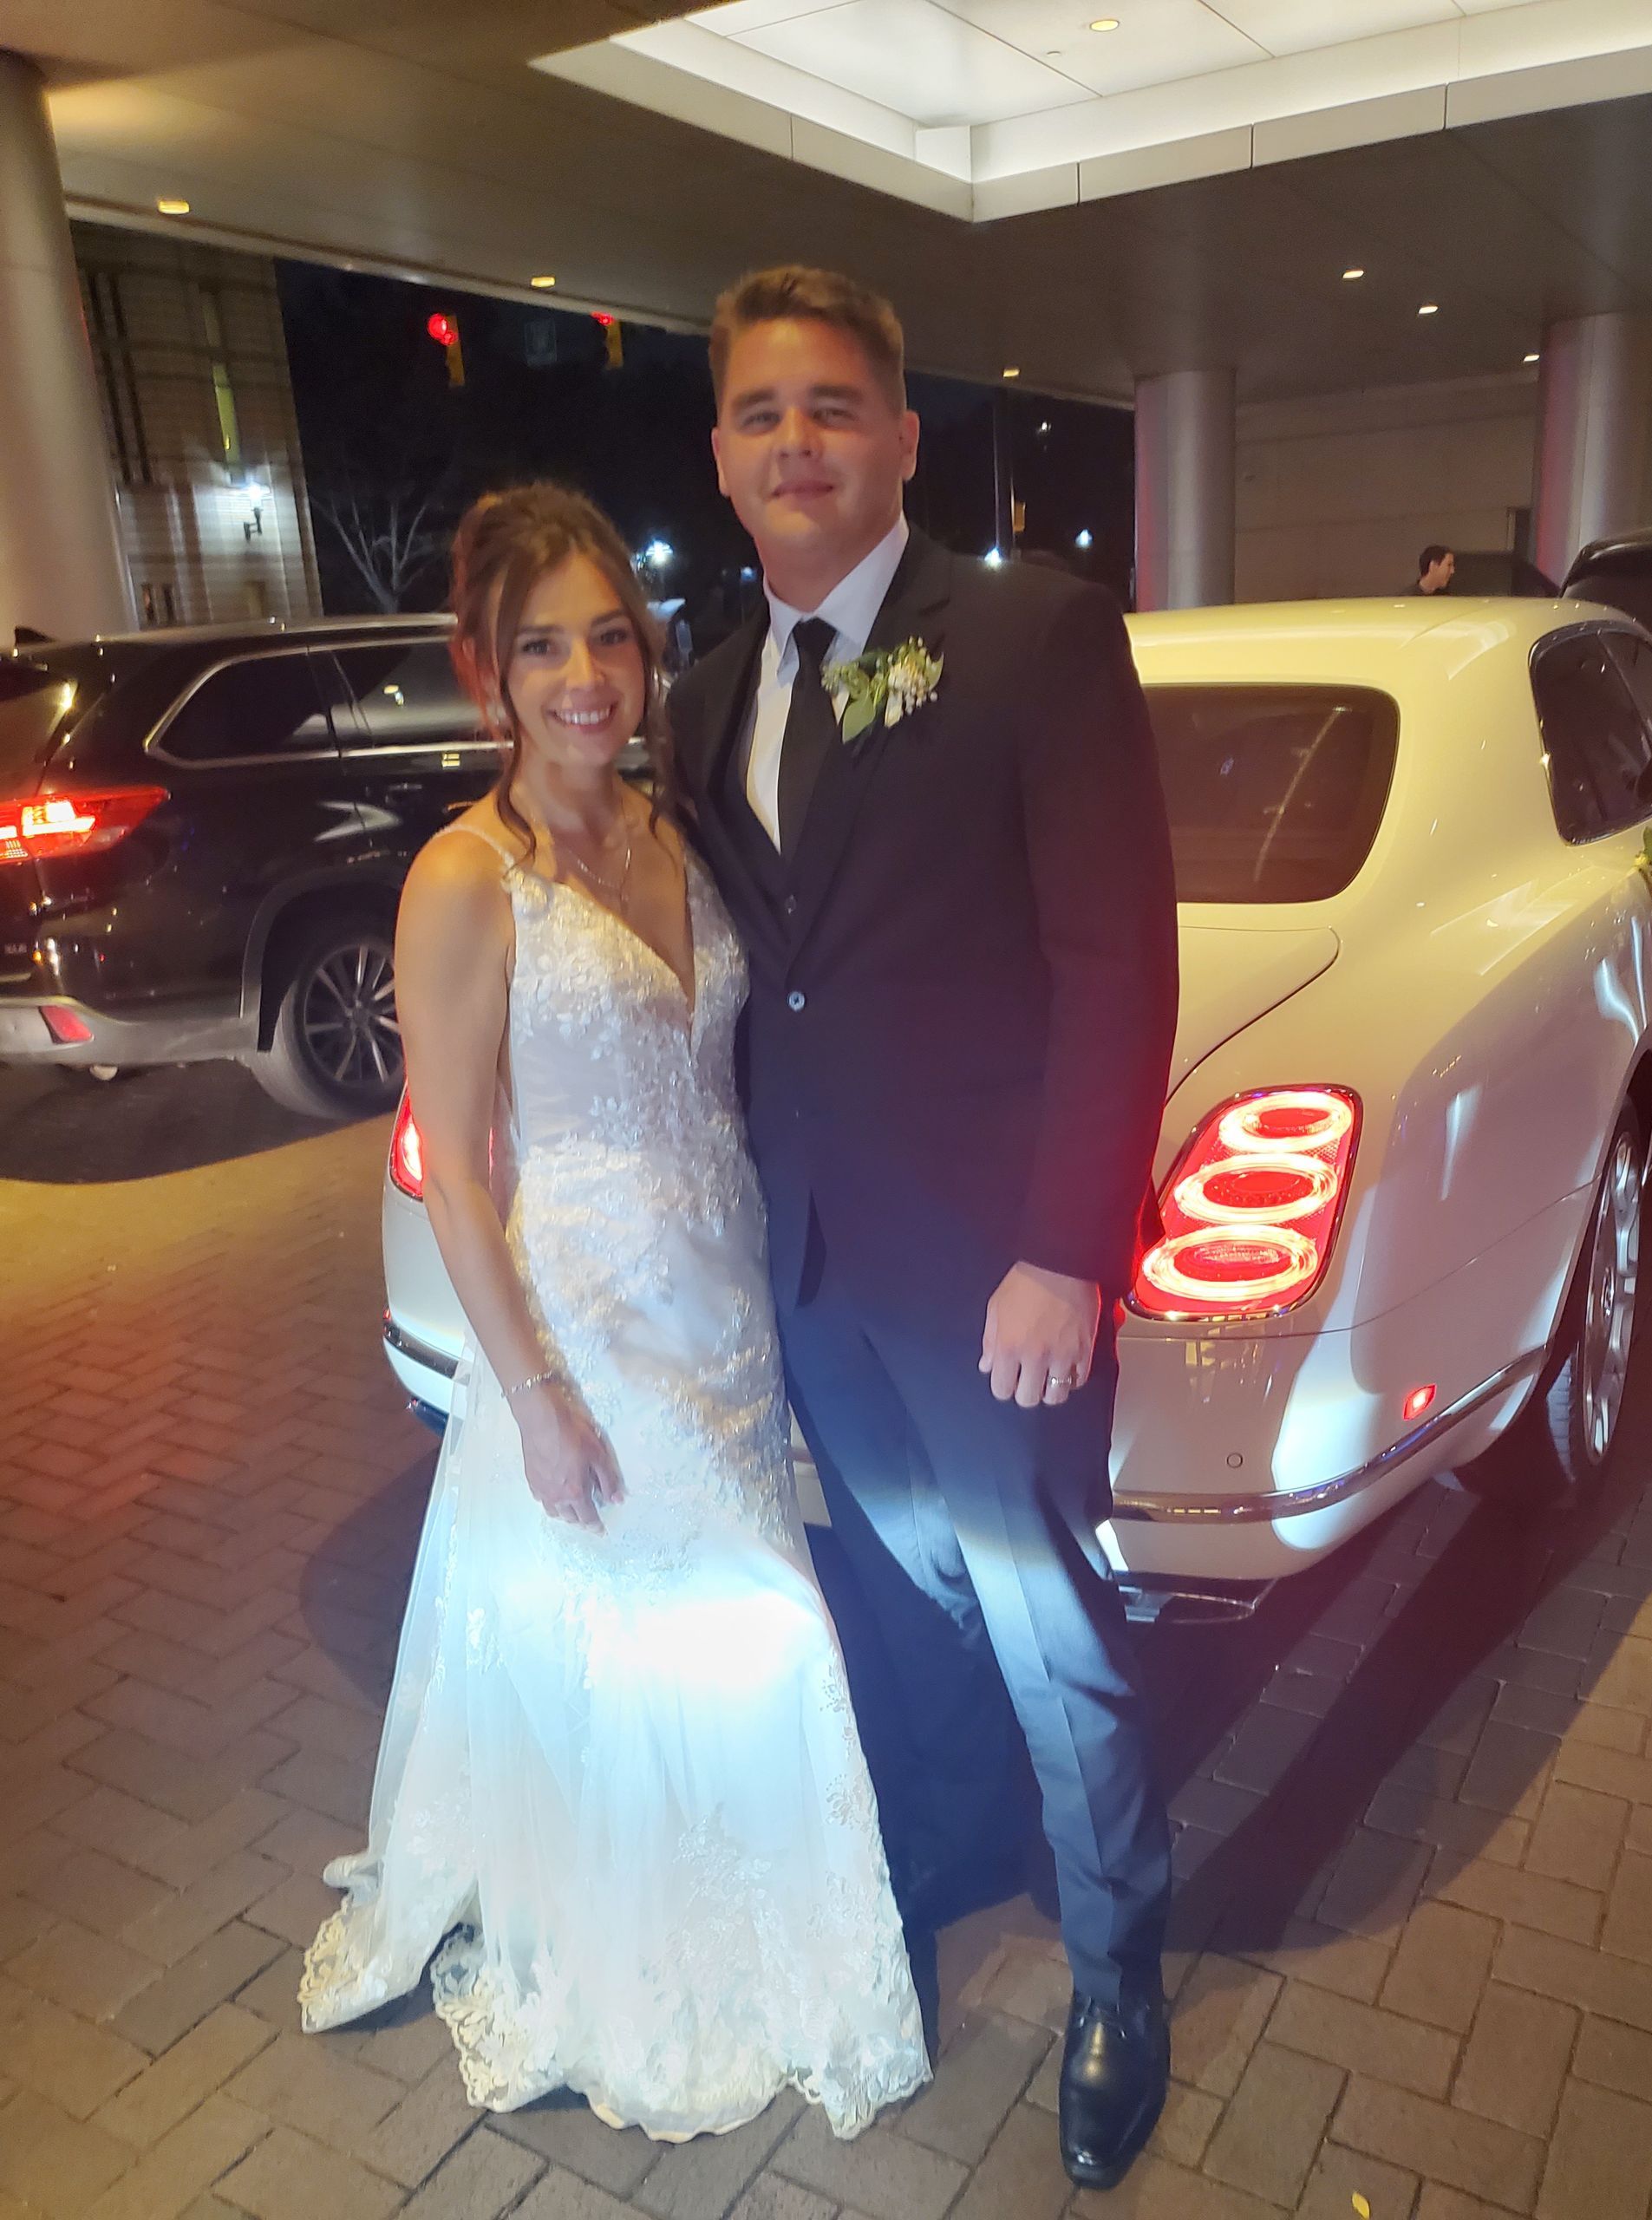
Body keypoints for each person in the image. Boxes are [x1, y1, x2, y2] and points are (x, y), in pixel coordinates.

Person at [297, 483, 928, 2141]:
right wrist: (536, 1399)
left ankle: (763, 1899)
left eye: (608, 641)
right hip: (590, 1319)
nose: (585, 679)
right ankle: (643, 1943)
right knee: (660, 1633)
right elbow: (458, 1173)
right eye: (541, 649)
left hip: (728, 1301)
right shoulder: (465, 878)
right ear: (484, 670)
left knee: (740, 1623)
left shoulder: (677, 829)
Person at [669, 266, 1179, 2192]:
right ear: (722, 460)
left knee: (1052, 1624)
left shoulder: (1033, 635)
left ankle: (1119, 1971)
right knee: (903, 1597)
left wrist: (1068, 1245)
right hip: (813, 1266)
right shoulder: (705, 695)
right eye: (759, 413)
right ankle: (963, 1842)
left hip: (994, 1272)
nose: (794, 440)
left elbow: (1118, 961)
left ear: (898, 436)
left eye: (830, 406)